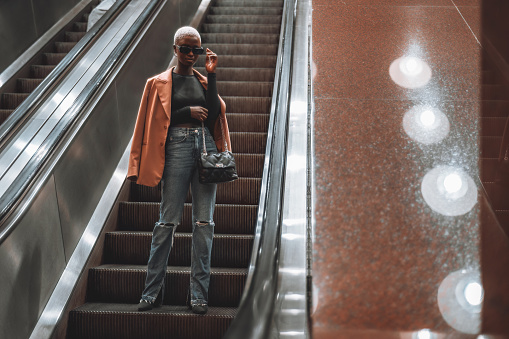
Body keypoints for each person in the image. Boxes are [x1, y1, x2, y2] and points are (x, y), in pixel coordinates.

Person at [127, 26, 232, 314]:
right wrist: (184, 113)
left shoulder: (203, 80)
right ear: (175, 49)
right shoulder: (157, 83)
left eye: (195, 49)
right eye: (185, 48)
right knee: (167, 222)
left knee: (204, 223)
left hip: (205, 147)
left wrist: (212, 73)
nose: (190, 54)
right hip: (175, 147)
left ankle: (199, 295)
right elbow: (148, 122)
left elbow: (214, 114)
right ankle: (151, 292)